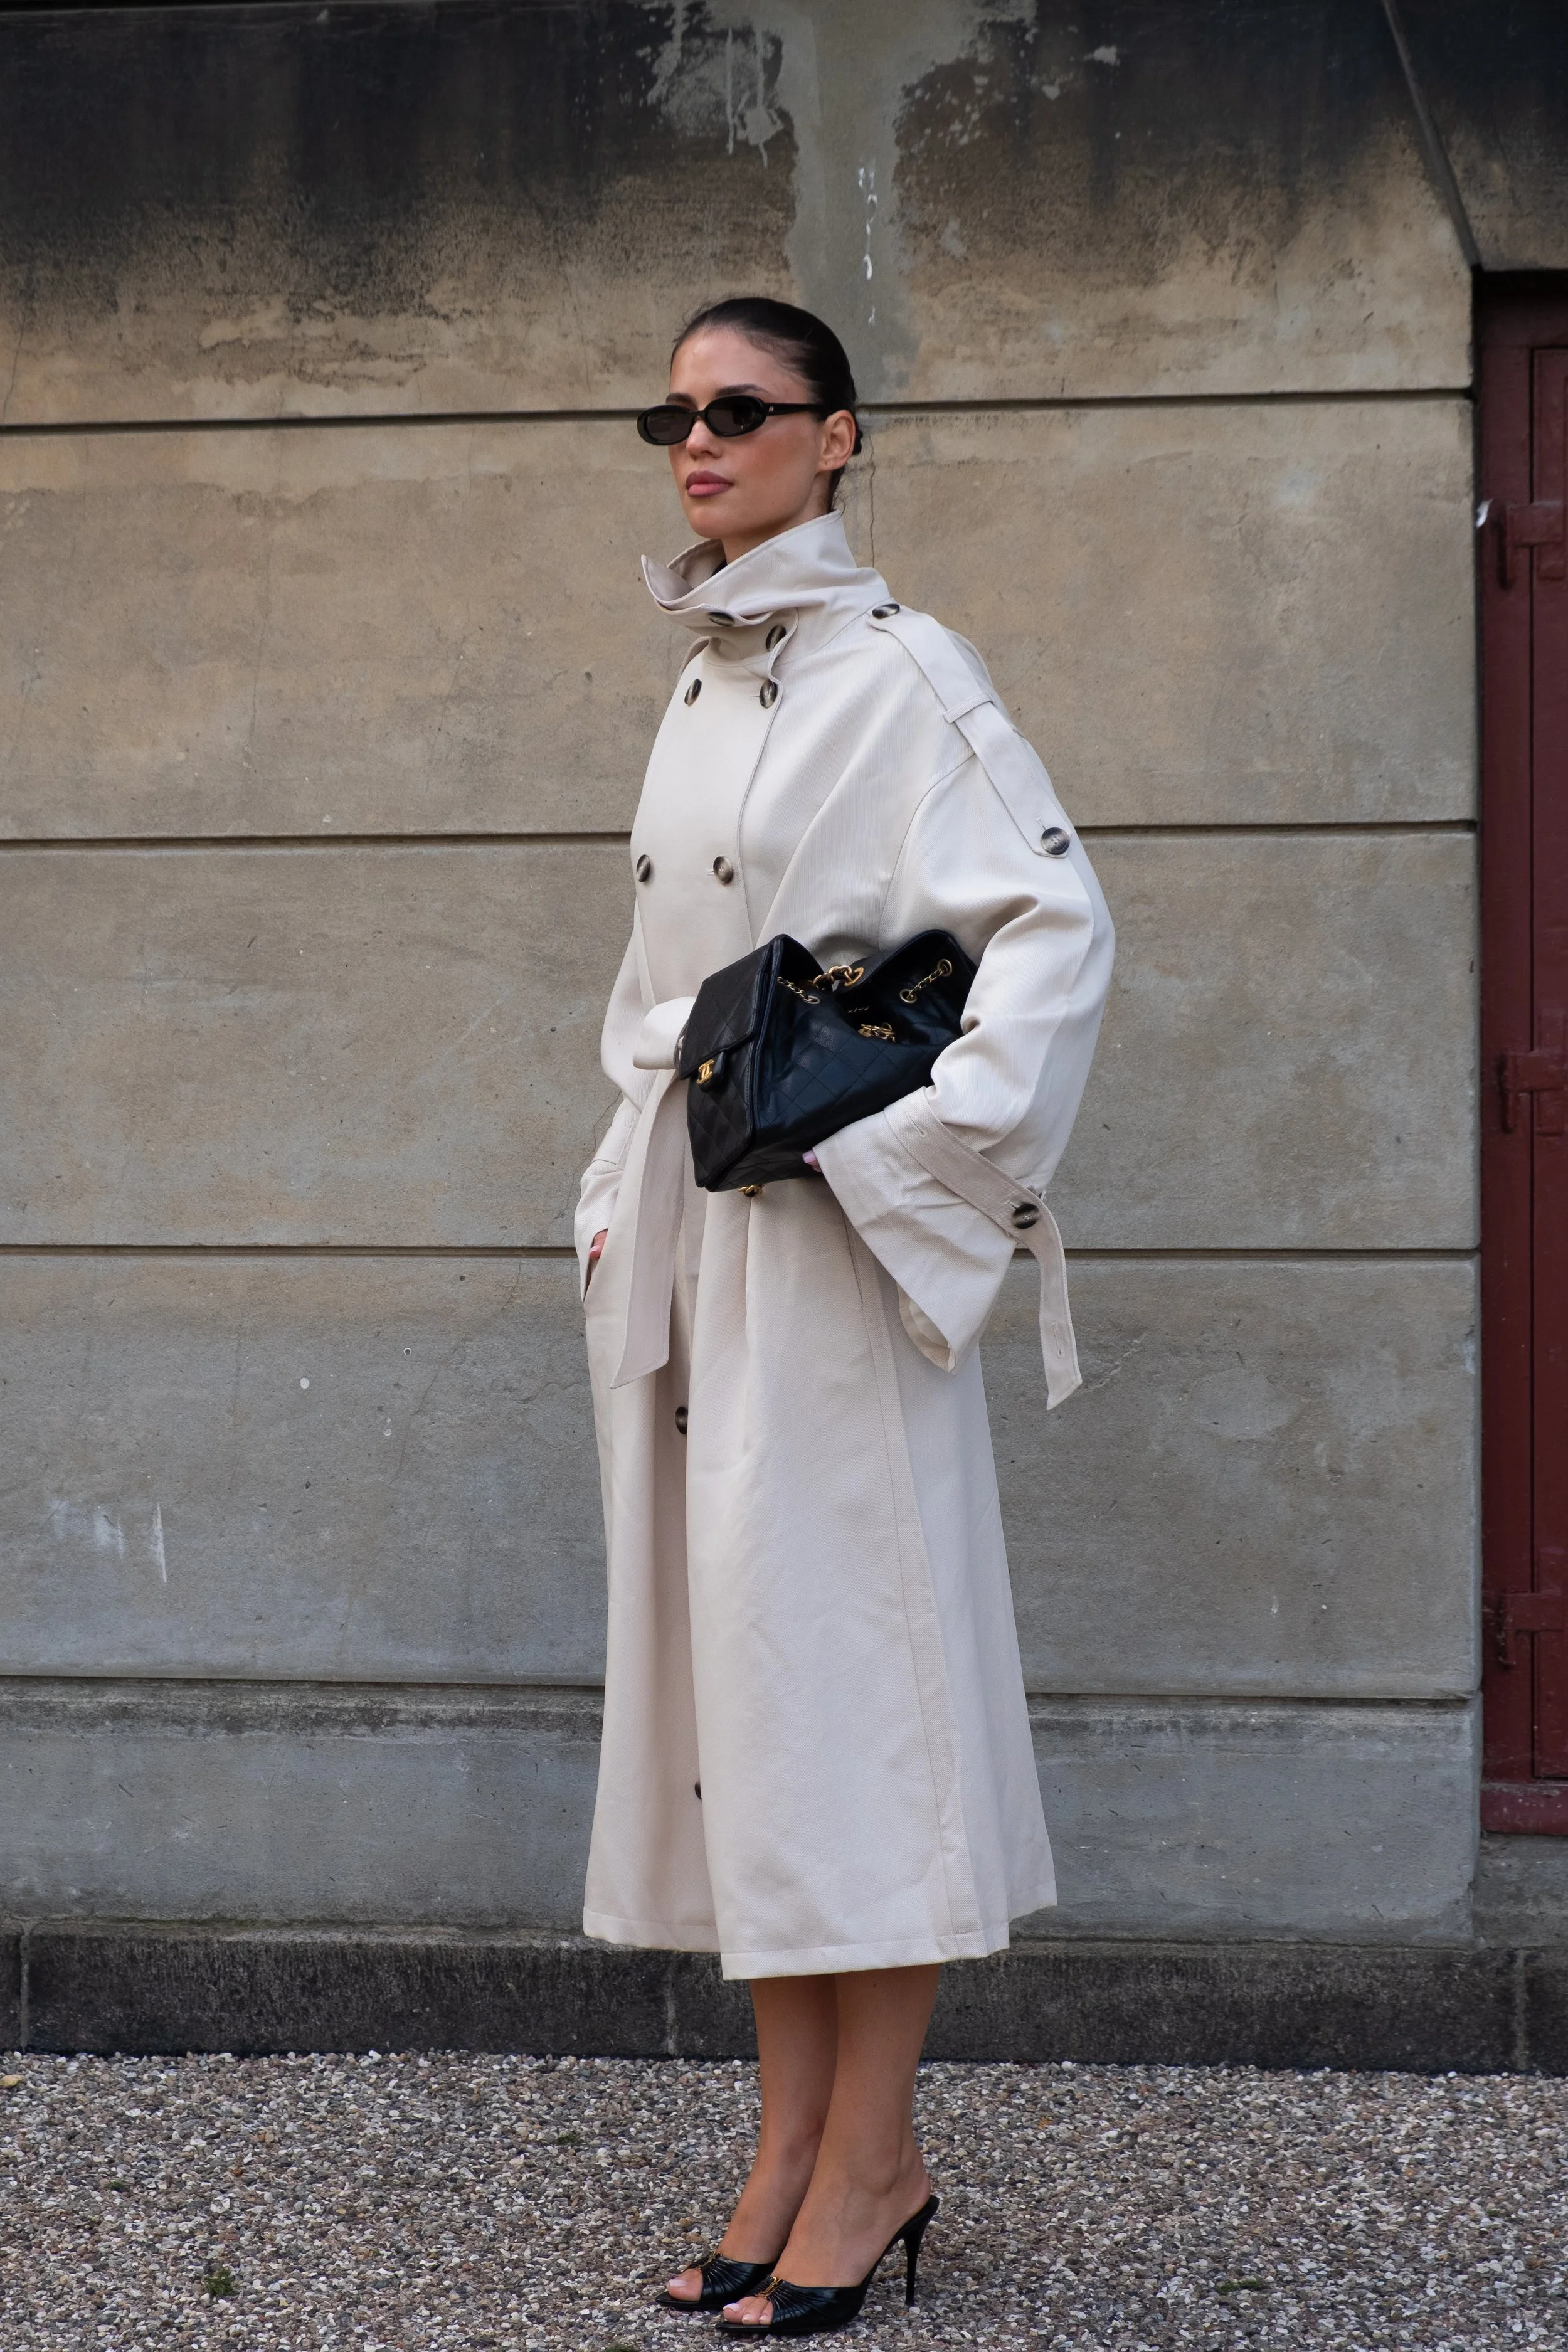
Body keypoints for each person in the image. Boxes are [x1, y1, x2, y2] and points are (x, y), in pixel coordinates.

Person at [575, 295, 1114, 2338]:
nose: (695, 444)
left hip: (833, 1249)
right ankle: (791, 2141)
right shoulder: (710, 677)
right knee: (752, 1720)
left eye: (739, 413)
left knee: (854, 1709)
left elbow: (1054, 935)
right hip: (699, 1246)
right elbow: (670, 987)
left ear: (838, 437)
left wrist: (902, 1166)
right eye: (672, 416)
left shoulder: (907, 676)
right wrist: (615, 1195)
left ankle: (874, 2147)